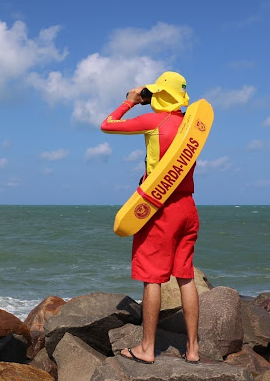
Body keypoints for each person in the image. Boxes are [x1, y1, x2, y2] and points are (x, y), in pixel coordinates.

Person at [100, 72, 200, 364]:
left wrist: (129, 101)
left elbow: (108, 125)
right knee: (185, 276)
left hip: (159, 209)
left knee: (151, 278)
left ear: (160, 95)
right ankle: (193, 349)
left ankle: (147, 348)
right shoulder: (190, 127)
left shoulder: (156, 121)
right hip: (188, 207)